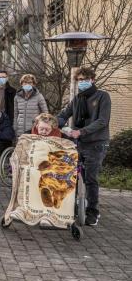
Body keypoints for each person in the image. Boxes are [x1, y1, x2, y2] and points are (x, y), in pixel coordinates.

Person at [57, 67, 111, 227]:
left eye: (85, 80)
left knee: (90, 178)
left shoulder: (102, 97)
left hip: (96, 143)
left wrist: (81, 131)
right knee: (71, 174)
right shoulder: (77, 99)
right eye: (80, 80)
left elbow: (102, 121)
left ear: (92, 80)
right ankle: (73, 206)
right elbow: (63, 115)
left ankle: (93, 212)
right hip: (79, 143)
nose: (82, 83)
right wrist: (57, 124)